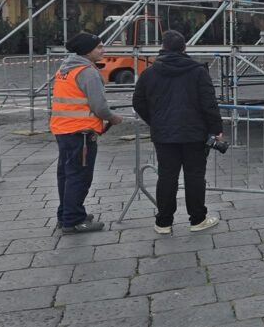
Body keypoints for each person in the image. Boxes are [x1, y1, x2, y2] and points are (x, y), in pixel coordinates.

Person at [133, 30, 223, 234]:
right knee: (195, 176)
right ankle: (197, 219)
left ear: (162, 47)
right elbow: (209, 103)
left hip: (163, 134)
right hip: (195, 133)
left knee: (166, 176)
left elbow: (138, 101)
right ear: (184, 48)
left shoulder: (149, 72)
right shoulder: (198, 71)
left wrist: (155, 120)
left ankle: (163, 222)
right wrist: (215, 129)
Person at [52, 32, 123, 233]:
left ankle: (66, 213)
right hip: (81, 132)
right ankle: (74, 221)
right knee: (79, 176)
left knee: (66, 174)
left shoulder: (65, 69)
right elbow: (99, 106)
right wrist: (113, 118)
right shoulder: (87, 72)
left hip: (63, 128)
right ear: (86, 51)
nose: (103, 50)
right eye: (99, 47)